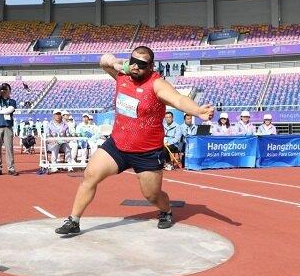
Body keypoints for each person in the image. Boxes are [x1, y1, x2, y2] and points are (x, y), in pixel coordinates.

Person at [55, 46, 213, 235]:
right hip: (118, 145)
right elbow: (103, 60)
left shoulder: (157, 84)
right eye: (134, 62)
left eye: (142, 64)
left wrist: (198, 111)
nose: (136, 67)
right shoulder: (122, 75)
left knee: (152, 195)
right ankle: (74, 220)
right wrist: (116, 63)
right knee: (90, 175)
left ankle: (166, 211)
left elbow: (178, 100)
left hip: (147, 152)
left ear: (152, 66)